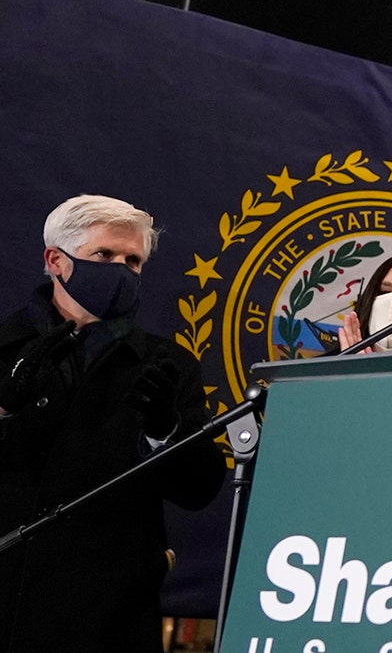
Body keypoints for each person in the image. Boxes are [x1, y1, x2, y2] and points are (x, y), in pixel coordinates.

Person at [0, 194, 227, 652]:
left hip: (108, 614)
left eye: (133, 260)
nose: (121, 269)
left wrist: (164, 432)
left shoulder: (167, 364)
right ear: (56, 261)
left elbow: (201, 488)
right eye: (104, 255)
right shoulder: (4, 350)